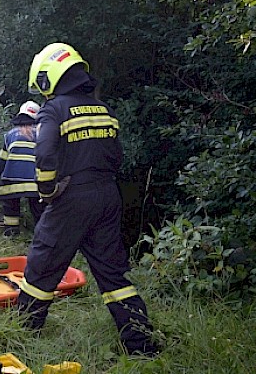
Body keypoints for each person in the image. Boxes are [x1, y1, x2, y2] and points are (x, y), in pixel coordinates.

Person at [17, 42, 158, 356]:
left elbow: (44, 154)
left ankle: (23, 331)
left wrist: (46, 192)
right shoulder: (103, 109)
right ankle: (141, 344)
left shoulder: (53, 109)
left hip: (71, 197)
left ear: (50, 76)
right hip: (108, 196)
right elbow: (117, 156)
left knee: (43, 264)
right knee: (113, 273)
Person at [0, 101, 45, 237]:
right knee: (39, 211)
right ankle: (41, 236)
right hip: (36, 183)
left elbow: (1, 162)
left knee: (11, 207)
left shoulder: (9, 135)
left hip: (11, 182)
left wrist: (3, 177)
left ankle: (11, 234)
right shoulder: (43, 134)